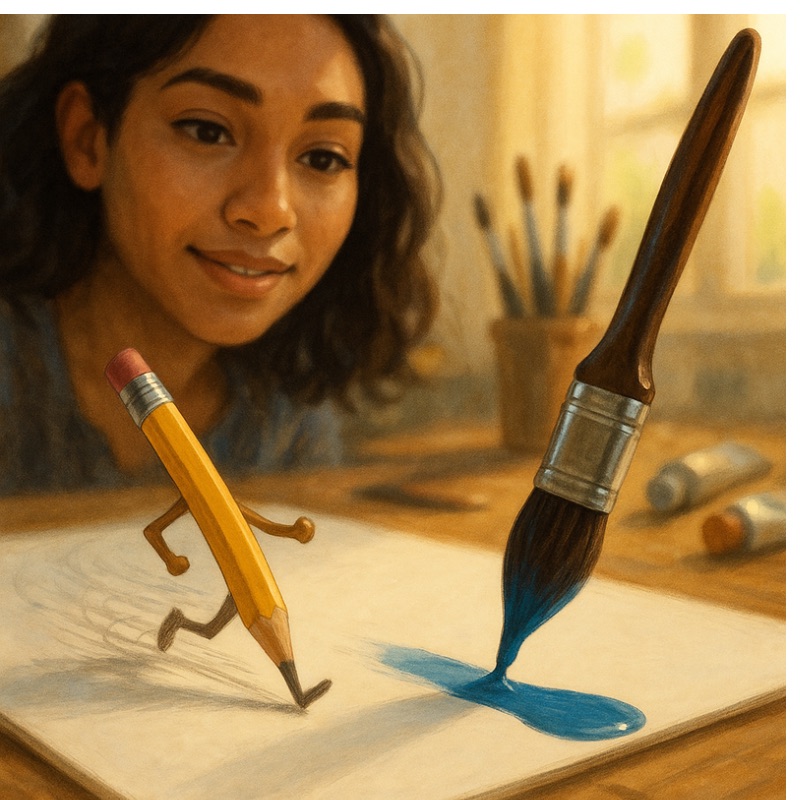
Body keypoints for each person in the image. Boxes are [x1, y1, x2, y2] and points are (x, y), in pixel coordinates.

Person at [0, 14, 440, 496]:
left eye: (323, 159)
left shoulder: (284, 421)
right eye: (207, 131)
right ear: (88, 139)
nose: (270, 210)